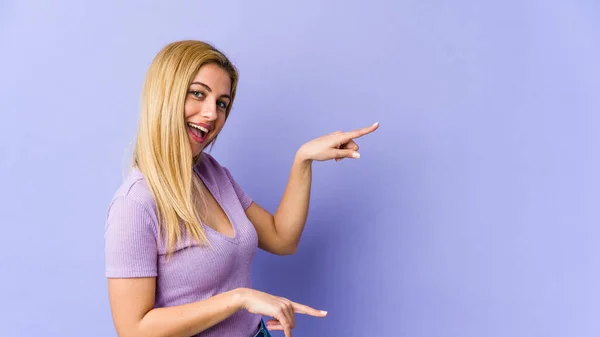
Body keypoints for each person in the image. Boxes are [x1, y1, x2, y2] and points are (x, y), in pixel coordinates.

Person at [104, 40, 379, 337]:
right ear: (164, 96)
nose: (211, 114)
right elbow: (133, 330)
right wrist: (240, 298)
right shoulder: (135, 205)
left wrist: (303, 159)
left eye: (221, 103)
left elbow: (282, 238)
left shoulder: (212, 173)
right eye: (198, 94)